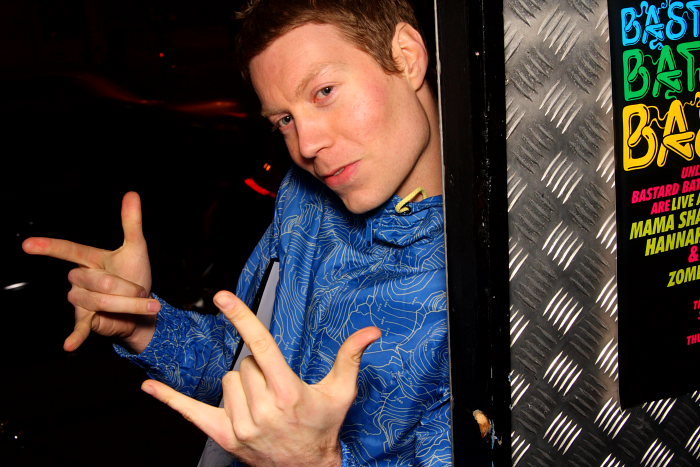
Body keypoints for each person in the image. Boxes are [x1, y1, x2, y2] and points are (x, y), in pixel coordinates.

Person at [22, 0, 449, 465]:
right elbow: (239, 368)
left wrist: (316, 461)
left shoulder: (485, 261)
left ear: (406, 57)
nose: (306, 145)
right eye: (284, 120)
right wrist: (142, 324)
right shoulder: (305, 200)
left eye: (324, 91)